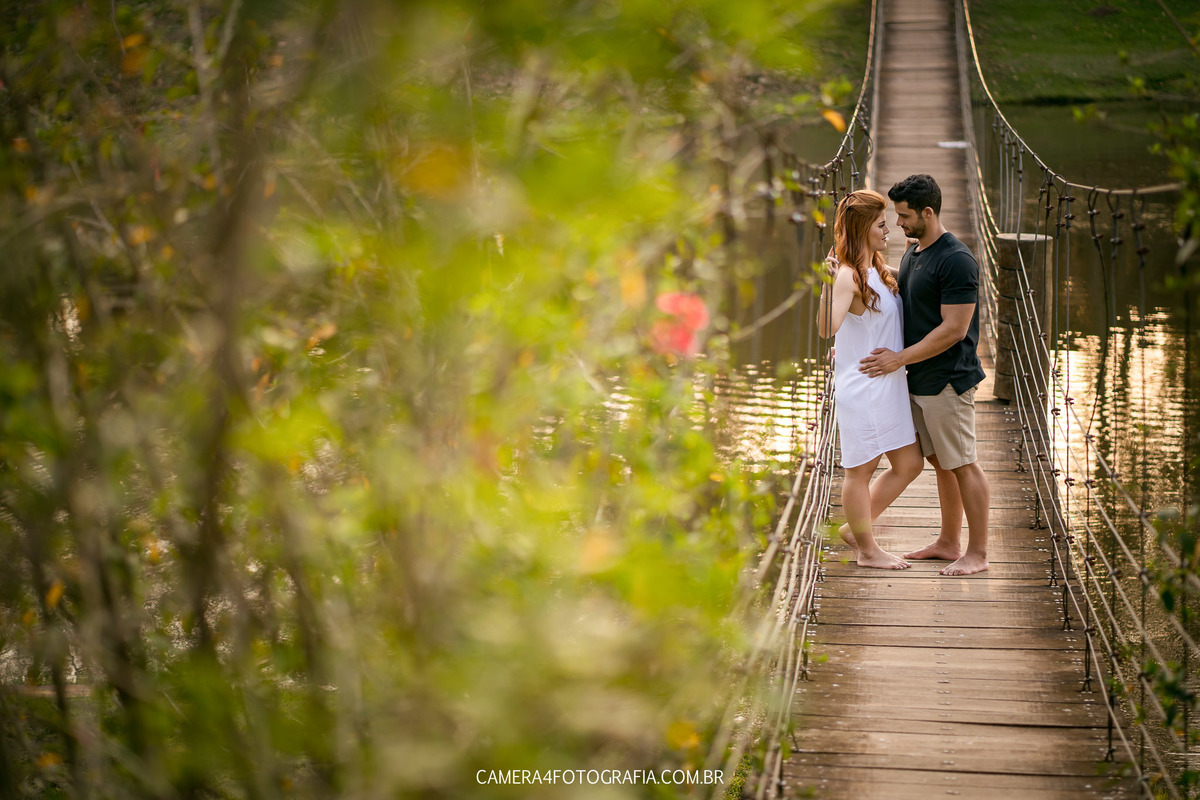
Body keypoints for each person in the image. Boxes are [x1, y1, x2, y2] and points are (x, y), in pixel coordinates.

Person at [859, 174, 990, 576]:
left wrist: (897, 359)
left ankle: (978, 554)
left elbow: (953, 329)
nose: (899, 224)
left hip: (947, 380)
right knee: (940, 462)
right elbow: (910, 295)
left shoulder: (956, 260)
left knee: (964, 463)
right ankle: (949, 543)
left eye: (904, 216)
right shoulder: (916, 252)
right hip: (920, 378)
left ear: (928, 213)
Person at [817, 189, 924, 570]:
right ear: (863, 228)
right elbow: (828, 329)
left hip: (888, 383)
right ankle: (867, 549)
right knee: (859, 471)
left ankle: (854, 529)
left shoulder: (878, 268)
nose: (888, 230)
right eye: (881, 224)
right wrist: (827, 285)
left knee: (910, 463)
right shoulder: (847, 276)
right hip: (864, 387)